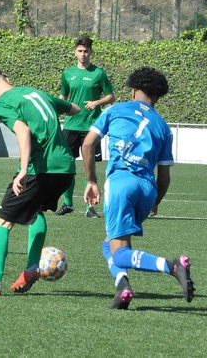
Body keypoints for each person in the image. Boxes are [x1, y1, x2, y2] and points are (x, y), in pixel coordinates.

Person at [82, 67, 194, 309]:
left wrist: (91, 181)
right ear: (157, 96)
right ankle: (123, 287)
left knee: (120, 252)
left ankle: (172, 266)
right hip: (147, 188)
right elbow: (164, 175)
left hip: (121, 182)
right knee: (109, 243)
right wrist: (156, 201)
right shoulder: (163, 127)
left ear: (133, 90)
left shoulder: (116, 110)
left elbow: (88, 144)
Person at [0, 65, 80, 295]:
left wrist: (23, 170)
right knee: (36, 212)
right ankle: (31, 269)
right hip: (65, 168)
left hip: (39, 168)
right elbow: (75, 109)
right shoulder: (37, 93)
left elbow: (23, 130)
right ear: (7, 77)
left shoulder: (1, 103)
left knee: (3, 222)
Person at [54, 36, 115, 218]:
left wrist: (97, 102)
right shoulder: (68, 73)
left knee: (90, 169)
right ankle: (68, 204)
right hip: (71, 126)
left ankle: (90, 208)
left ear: (91, 52)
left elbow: (111, 96)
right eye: (80, 51)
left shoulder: (99, 73)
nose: (83, 54)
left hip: (91, 128)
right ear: (75, 52)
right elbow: (62, 97)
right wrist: (57, 111)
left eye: (86, 51)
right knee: (66, 165)